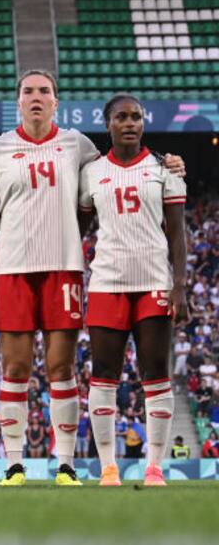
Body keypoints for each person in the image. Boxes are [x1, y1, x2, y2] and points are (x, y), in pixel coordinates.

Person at [0, 69, 185, 488]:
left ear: (55, 102)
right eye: (28, 91)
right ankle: (14, 466)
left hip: (64, 268)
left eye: (43, 91)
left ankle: (64, 464)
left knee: (61, 368)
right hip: (13, 269)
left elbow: (114, 175)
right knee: (14, 368)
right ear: (18, 100)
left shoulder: (78, 146)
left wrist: (168, 161)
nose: (36, 96)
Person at [79, 94, 187, 487]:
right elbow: (79, 228)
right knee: (103, 374)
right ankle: (108, 466)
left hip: (154, 282)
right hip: (107, 282)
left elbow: (177, 232)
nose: (130, 123)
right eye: (121, 117)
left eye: (136, 117)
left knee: (155, 373)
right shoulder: (91, 172)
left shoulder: (165, 169)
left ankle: (154, 466)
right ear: (107, 123)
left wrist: (179, 285)